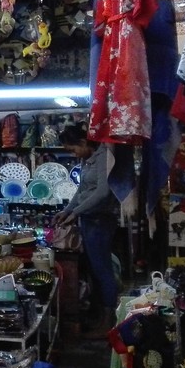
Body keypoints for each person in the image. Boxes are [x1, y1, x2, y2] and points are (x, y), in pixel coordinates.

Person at [53, 124, 120, 336]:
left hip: (100, 220)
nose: (73, 154)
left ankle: (109, 322)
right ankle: (100, 314)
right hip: (89, 219)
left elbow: (103, 192)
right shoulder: (86, 160)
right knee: (94, 270)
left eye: (73, 149)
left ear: (83, 142)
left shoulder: (103, 157)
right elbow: (81, 190)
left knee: (103, 270)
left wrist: (76, 212)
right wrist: (67, 210)